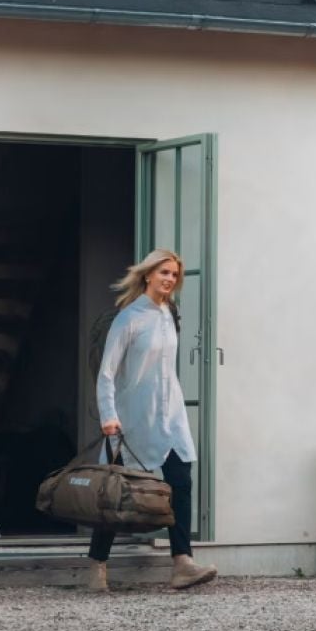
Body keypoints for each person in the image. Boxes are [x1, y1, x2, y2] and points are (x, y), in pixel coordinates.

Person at [90, 248, 217, 592]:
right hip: (132, 417)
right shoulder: (128, 318)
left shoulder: (169, 314)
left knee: (181, 481)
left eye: (174, 275)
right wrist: (109, 416)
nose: (170, 280)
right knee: (113, 493)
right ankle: (97, 565)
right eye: (164, 273)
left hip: (171, 415)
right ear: (147, 275)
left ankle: (182, 563)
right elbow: (106, 373)